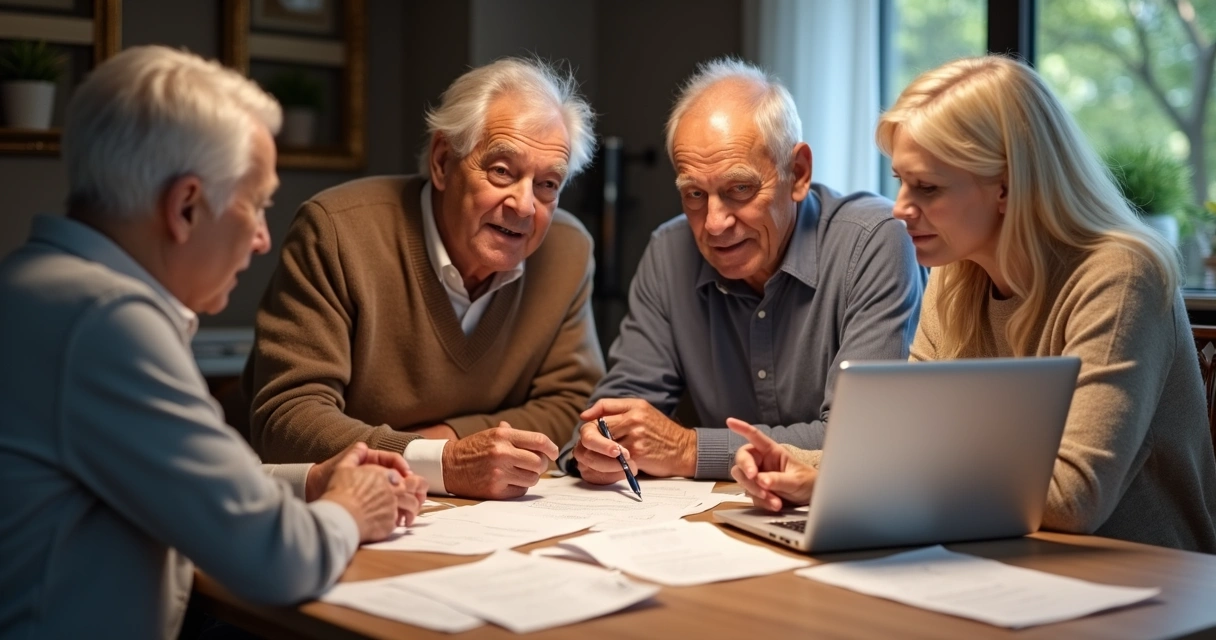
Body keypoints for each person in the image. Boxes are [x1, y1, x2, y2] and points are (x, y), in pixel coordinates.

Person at [0, 46, 427, 639]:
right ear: (186, 206)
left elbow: (185, 483)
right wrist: (353, 509)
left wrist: (311, 483)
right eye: (256, 205)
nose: (260, 239)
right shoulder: (106, 322)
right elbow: (278, 559)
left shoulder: (37, 289)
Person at [731, 55, 1216, 553]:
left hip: (1144, 584)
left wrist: (841, 482)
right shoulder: (955, 272)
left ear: (1007, 186)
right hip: (1004, 556)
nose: (900, 208)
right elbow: (903, 441)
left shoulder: (1123, 275)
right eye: (900, 180)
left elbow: (1073, 498)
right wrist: (794, 463)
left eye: (928, 187)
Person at [243, 57, 604, 499]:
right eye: (502, 171)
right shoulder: (336, 231)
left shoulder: (568, 250)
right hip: (320, 508)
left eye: (548, 184)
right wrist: (443, 463)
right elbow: (288, 418)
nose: (525, 206)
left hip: (485, 517)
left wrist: (444, 442)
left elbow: (574, 406)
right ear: (441, 162)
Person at [561, 58, 924, 482]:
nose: (714, 223)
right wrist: (599, 446)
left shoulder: (874, 242)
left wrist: (688, 449)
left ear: (799, 173)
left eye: (739, 189)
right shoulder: (669, 252)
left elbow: (862, 436)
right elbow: (620, 407)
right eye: (694, 193)